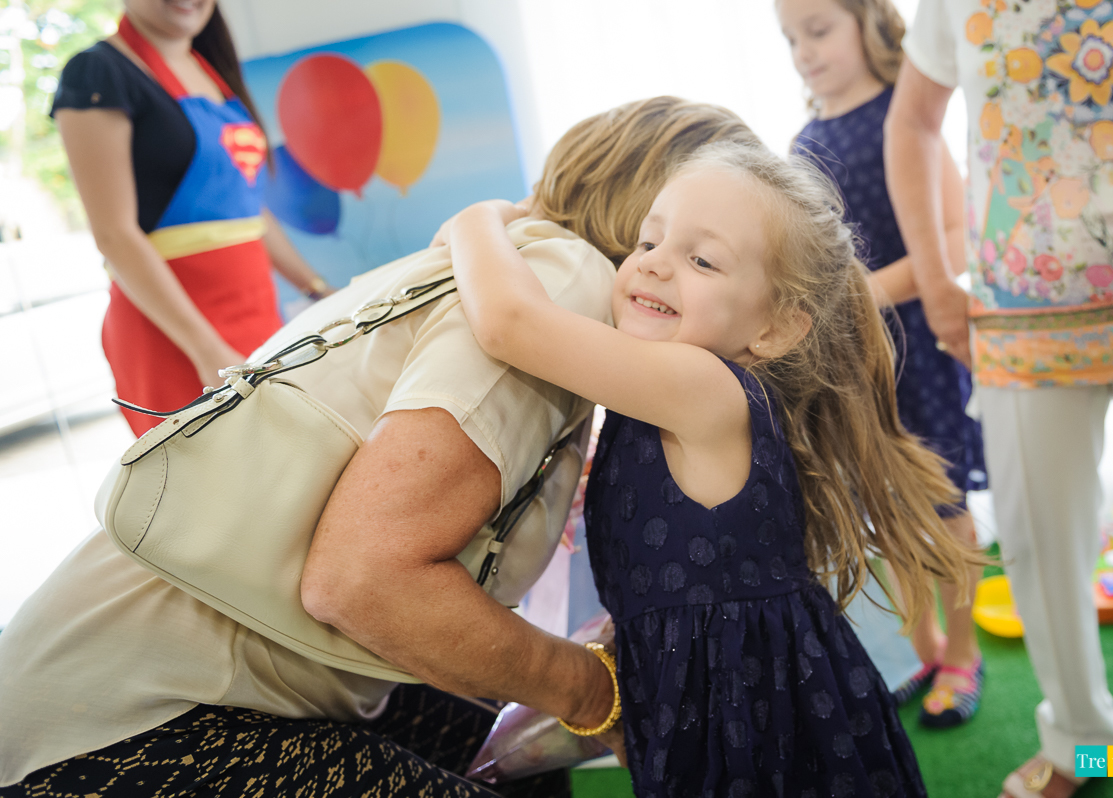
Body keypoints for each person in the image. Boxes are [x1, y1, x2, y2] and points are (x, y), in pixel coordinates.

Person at [0, 96, 758, 797]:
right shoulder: (565, 281)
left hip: (164, 680)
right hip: (116, 725)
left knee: (521, 762)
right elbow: (362, 582)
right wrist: (592, 690)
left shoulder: (511, 256)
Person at [444, 140, 988, 797]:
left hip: (757, 712)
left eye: (702, 259)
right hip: (705, 697)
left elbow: (508, 322)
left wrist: (476, 220)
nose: (657, 267)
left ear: (777, 329)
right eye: (648, 243)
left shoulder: (701, 384)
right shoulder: (667, 394)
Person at [885, 1, 1113, 795]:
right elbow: (914, 122)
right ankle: (1081, 748)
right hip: (1021, 323)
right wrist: (932, 280)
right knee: (1038, 553)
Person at [779, 0, 987, 728]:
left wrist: (871, 292)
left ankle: (964, 653)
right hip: (856, 363)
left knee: (947, 505)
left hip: (923, 347)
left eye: (818, 30)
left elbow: (959, 238)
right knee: (887, 502)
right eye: (791, 39)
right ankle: (925, 645)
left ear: (870, 23)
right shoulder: (803, 145)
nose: (804, 51)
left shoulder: (910, 114)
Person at [52, 0, 333, 437]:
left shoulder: (211, 69)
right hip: (174, 336)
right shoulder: (97, 73)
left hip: (257, 316)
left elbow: (247, 210)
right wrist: (206, 349)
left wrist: (318, 290)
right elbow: (114, 234)